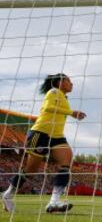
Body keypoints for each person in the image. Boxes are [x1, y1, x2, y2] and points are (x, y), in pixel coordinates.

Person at [1, 74, 86, 213]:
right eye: (68, 80)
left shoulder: (64, 97)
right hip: (40, 134)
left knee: (66, 160)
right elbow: (48, 107)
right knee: (31, 170)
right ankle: (8, 195)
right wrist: (71, 112)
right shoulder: (53, 92)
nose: (72, 83)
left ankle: (54, 201)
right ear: (59, 82)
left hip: (57, 136)